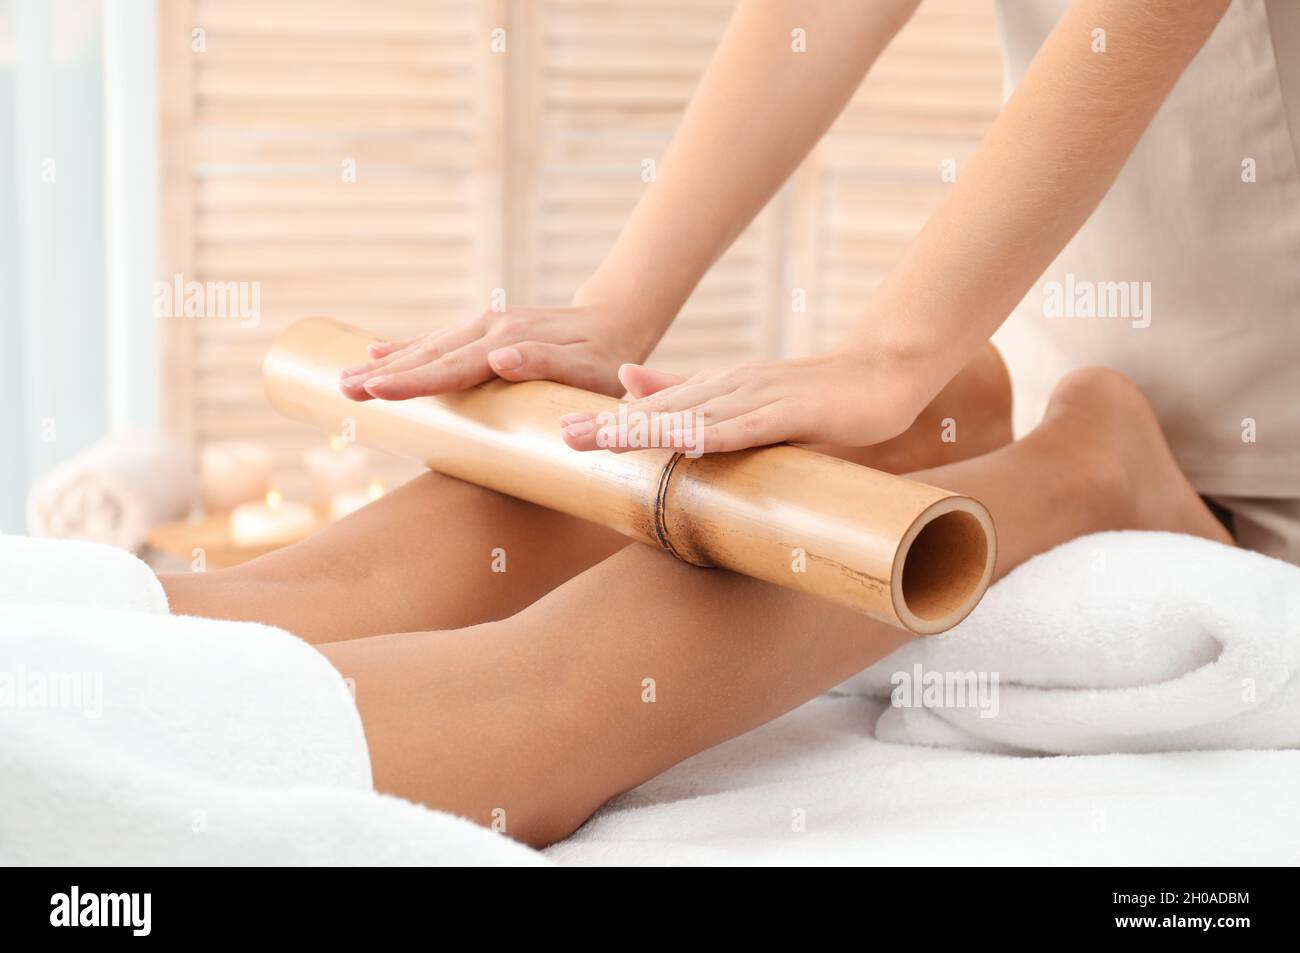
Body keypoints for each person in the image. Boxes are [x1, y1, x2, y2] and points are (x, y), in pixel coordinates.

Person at [166, 0, 1268, 847]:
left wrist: (889, 359)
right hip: (1039, 324)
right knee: (305, 593)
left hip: (1270, 429)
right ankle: (131, 631)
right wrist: (620, 308)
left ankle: (1082, 466)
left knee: (550, 685)